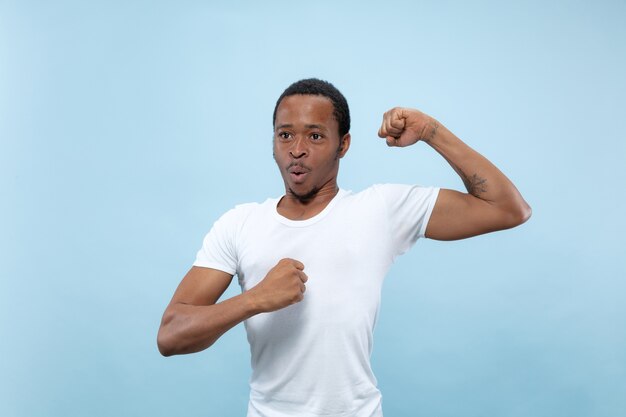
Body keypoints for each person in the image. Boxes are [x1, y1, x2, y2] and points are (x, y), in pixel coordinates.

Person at [157, 78, 531, 417]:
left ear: (343, 144)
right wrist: (255, 299)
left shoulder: (380, 210)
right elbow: (171, 335)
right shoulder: (239, 224)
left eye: (315, 136)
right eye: (285, 135)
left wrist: (431, 131)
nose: (297, 150)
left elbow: (507, 208)